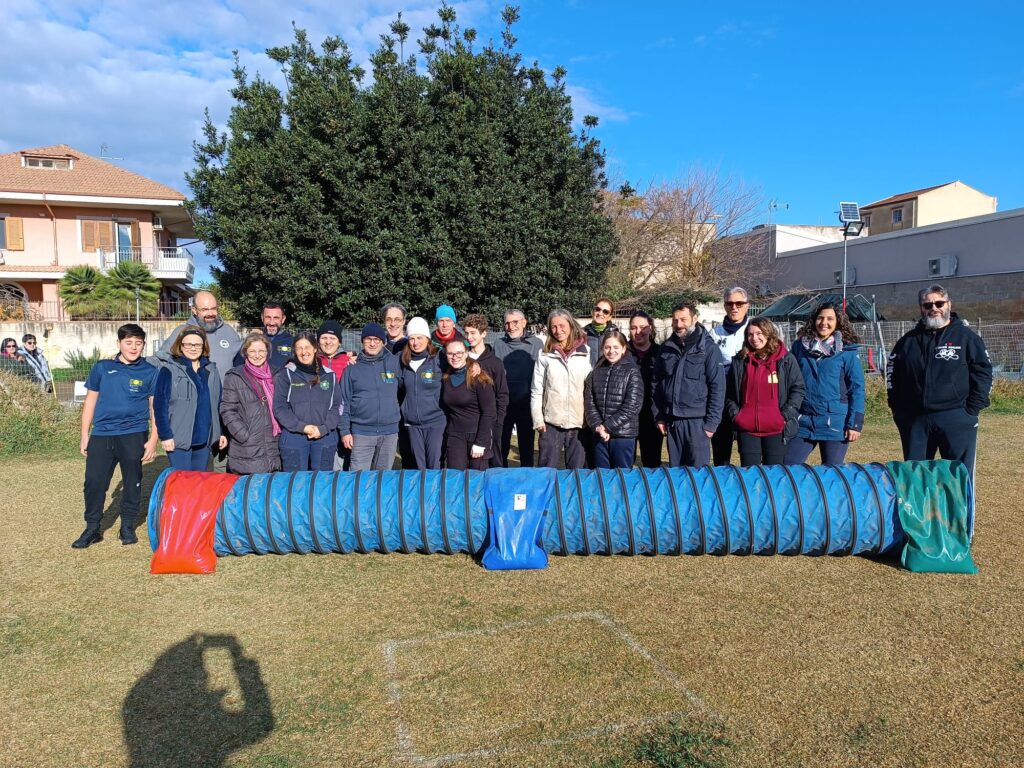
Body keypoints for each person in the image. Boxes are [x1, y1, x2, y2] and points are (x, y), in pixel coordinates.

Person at [887, 284, 992, 479]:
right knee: (916, 477)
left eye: (939, 303)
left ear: (948, 304)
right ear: (921, 308)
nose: (933, 308)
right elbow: (892, 373)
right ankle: (921, 511)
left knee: (958, 477)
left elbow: (983, 372)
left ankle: (959, 511)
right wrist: (898, 410)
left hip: (956, 416)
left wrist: (972, 409)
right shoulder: (907, 342)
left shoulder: (967, 338)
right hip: (915, 420)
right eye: (927, 305)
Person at [74, 323, 160, 548]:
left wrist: (153, 439)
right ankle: (92, 528)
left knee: (132, 482)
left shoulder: (150, 371)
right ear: (119, 343)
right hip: (101, 434)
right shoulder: (102, 368)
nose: (133, 347)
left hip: (133, 434)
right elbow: (90, 401)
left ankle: (127, 527)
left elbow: (155, 408)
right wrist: (85, 434)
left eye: (138, 343)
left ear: (143, 345)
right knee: (94, 481)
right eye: (128, 342)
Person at [784, 302, 865, 466]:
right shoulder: (799, 347)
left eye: (830, 319)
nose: (824, 323)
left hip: (835, 423)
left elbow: (857, 389)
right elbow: (788, 380)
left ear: (837, 322)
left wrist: (855, 424)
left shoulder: (847, 351)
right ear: (814, 320)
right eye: (820, 318)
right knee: (787, 467)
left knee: (831, 473)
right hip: (803, 420)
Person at [652, 302, 725, 468]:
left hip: (697, 423)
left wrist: (711, 424)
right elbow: (656, 385)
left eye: (683, 320)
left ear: (695, 318)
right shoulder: (666, 348)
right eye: (675, 320)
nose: (679, 325)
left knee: (698, 476)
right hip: (673, 422)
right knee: (676, 474)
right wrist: (659, 416)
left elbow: (717, 388)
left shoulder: (708, 349)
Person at [725, 318, 805, 467]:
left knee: (774, 476)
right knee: (750, 476)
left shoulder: (785, 359)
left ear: (769, 334)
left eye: (759, 333)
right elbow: (729, 392)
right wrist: (737, 416)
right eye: (750, 334)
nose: (754, 338)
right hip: (747, 429)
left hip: (776, 428)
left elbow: (798, 388)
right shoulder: (740, 360)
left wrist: (784, 416)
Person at [152, 327, 226, 471]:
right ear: (180, 346)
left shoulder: (211, 370)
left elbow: (218, 403)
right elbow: (160, 405)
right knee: (182, 482)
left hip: (204, 439)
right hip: (179, 438)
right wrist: (165, 435)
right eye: (188, 344)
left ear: (203, 346)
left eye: (197, 344)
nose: (193, 348)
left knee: (199, 483)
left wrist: (221, 432)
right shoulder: (169, 370)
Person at [532, 309, 592, 469]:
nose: (558, 330)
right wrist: (538, 418)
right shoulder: (544, 354)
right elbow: (537, 390)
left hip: (580, 422)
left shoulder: (587, 352)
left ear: (571, 325)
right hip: (551, 423)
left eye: (562, 325)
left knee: (577, 473)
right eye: (553, 327)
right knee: (546, 470)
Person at [272, 331, 340, 472]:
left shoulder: (329, 375)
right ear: (294, 351)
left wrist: (323, 429)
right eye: (299, 348)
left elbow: (337, 407)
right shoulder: (286, 374)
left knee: (321, 483)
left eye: (307, 347)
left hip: (324, 436)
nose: (304, 352)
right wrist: (302, 427)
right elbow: (280, 407)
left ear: (315, 348)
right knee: (296, 483)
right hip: (294, 437)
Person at [339, 323, 402, 471]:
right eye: (368, 339)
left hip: (389, 433)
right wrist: (345, 431)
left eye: (376, 339)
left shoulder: (394, 363)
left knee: (383, 479)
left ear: (382, 342)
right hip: (361, 433)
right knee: (359, 479)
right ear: (362, 341)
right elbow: (343, 402)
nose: (372, 343)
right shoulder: (351, 369)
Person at [220, 332, 282, 475]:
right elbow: (227, 409)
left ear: (267, 352)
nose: (257, 355)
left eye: (261, 351)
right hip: (247, 448)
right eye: (252, 351)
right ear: (245, 352)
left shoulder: (277, 375)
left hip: (273, 444)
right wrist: (243, 435)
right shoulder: (235, 376)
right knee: (248, 492)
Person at [585, 328, 643, 469]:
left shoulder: (632, 371)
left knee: (621, 477)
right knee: (602, 477)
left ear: (623, 349)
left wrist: (607, 426)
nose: (611, 351)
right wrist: (598, 426)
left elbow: (632, 405)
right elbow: (589, 401)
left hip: (623, 436)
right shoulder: (596, 371)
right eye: (607, 347)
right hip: (600, 434)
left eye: (616, 347)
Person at [492, 309, 544, 467]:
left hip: (527, 404)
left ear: (524, 322)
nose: (511, 326)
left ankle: (526, 483)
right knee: (501, 448)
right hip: (504, 405)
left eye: (515, 322)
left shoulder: (537, 344)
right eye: (507, 323)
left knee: (527, 449)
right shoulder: (499, 344)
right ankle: (502, 481)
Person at [710, 287, 751, 466]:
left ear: (747, 305)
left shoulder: (756, 330)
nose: (734, 307)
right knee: (721, 452)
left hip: (748, 398)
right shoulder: (714, 333)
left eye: (739, 303)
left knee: (749, 452)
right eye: (730, 303)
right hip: (722, 398)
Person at [160, 290, 240, 383]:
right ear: (194, 310)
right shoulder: (182, 332)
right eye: (205, 309)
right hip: (191, 395)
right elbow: (161, 360)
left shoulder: (228, 331)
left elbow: (241, 362)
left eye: (213, 308)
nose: (210, 313)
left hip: (224, 395)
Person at [397, 317, 446, 469]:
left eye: (419, 337)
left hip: (435, 422)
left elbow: (461, 361)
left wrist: (474, 364)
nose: (415, 342)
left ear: (427, 338)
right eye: (412, 338)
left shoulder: (439, 358)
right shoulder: (402, 361)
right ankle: (422, 494)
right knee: (419, 468)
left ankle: (437, 493)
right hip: (412, 425)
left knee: (435, 465)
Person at [462, 314, 509, 468]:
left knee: (495, 462)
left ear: (483, 333)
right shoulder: (461, 359)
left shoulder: (495, 363)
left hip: (492, 423)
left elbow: (502, 394)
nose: (469, 337)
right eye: (466, 333)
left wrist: (498, 421)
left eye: (473, 333)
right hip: (469, 422)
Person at [442, 339, 497, 470]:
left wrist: (480, 442)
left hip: (477, 434)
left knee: (476, 481)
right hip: (455, 435)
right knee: (455, 478)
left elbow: (489, 412)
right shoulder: (446, 378)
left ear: (467, 353)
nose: (455, 357)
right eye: (450, 354)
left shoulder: (479, 378)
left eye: (459, 353)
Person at [627, 311, 663, 468]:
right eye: (633, 328)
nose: (638, 332)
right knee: (625, 465)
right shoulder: (621, 353)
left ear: (651, 328)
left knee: (652, 463)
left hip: (651, 417)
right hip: (626, 418)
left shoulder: (661, 353)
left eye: (642, 327)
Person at [316, 321, 352, 470]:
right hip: (321, 419)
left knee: (344, 460)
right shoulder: (313, 361)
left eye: (332, 338)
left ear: (339, 342)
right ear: (318, 341)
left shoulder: (348, 361)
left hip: (344, 418)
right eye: (324, 338)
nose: (328, 342)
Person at [233, 302, 293, 370]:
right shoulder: (252, 341)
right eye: (268, 317)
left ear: (283, 319)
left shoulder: (291, 342)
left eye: (276, 318)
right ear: (262, 318)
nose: (271, 322)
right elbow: (237, 365)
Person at [585, 297, 616, 366]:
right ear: (593, 311)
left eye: (605, 312)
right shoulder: (582, 334)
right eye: (597, 309)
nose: (600, 313)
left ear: (610, 317)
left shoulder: (616, 335)